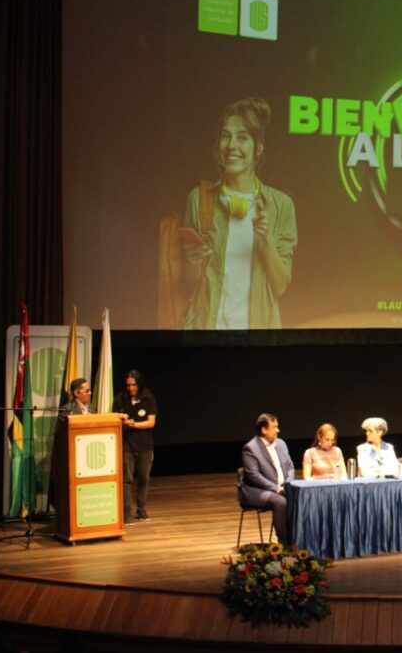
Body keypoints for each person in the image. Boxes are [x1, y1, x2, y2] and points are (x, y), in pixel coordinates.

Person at [182, 97, 298, 329]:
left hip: (257, 339)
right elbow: (187, 282)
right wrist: (193, 263)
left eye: (242, 138)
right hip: (207, 333)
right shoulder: (200, 198)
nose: (231, 146)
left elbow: (280, 285)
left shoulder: (281, 205)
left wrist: (265, 240)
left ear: (258, 147)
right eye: (226, 136)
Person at [240, 413, 295, 543]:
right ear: (264, 430)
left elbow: (290, 466)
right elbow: (253, 476)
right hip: (257, 491)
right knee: (280, 502)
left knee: (300, 497)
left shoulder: (281, 443)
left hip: (281, 488)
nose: (278, 430)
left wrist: (287, 483)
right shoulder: (250, 448)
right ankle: (284, 542)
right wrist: (276, 488)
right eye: (274, 427)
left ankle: (298, 537)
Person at [114, 370, 157, 523]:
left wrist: (134, 424)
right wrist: (121, 419)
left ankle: (142, 509)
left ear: (139, 384)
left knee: (144, 478)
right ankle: (127, 513)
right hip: (127, 443)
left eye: (133, 385)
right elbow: (114, 418)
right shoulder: (120, 399)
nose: (130, 388)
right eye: (128, 385)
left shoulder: (148, 398)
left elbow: (151, 422)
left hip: (145, 444)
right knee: (127, 479)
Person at [49, 378, 95, 511]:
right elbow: (61, 434)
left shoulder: (91, 407)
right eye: (87, 391)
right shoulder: (66, 410)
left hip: (89, 455)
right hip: (73, 456)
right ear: (76, 393)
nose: (90, 393)